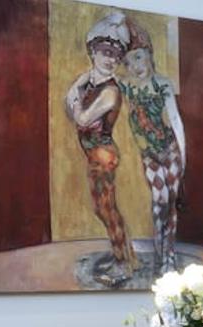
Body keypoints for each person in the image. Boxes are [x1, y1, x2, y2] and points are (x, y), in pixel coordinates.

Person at [64, 11, 135, 286]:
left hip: (103, 155)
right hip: (94, 155)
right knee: (104, 208)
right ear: (93, 51)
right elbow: (76, 87)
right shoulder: (93, 79)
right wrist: (76, 89)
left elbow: (82, 118)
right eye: (106, 52)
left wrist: (75, 100)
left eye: (116, 56)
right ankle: (127, 256)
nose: (111, 60)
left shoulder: (110, 91)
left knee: (106, 209)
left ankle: (123, 264)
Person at [121, 17, 187, 275]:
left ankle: (168, 256)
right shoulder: (126, 86)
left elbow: (175, 120)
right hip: (149, 154)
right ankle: (161, 252)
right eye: (128, 62)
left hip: (169, 150)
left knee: (170, 202)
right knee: (159, 200)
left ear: (149, 54)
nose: (135, 66)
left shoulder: (163, 83)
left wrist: (183, 158)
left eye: (139, 57)